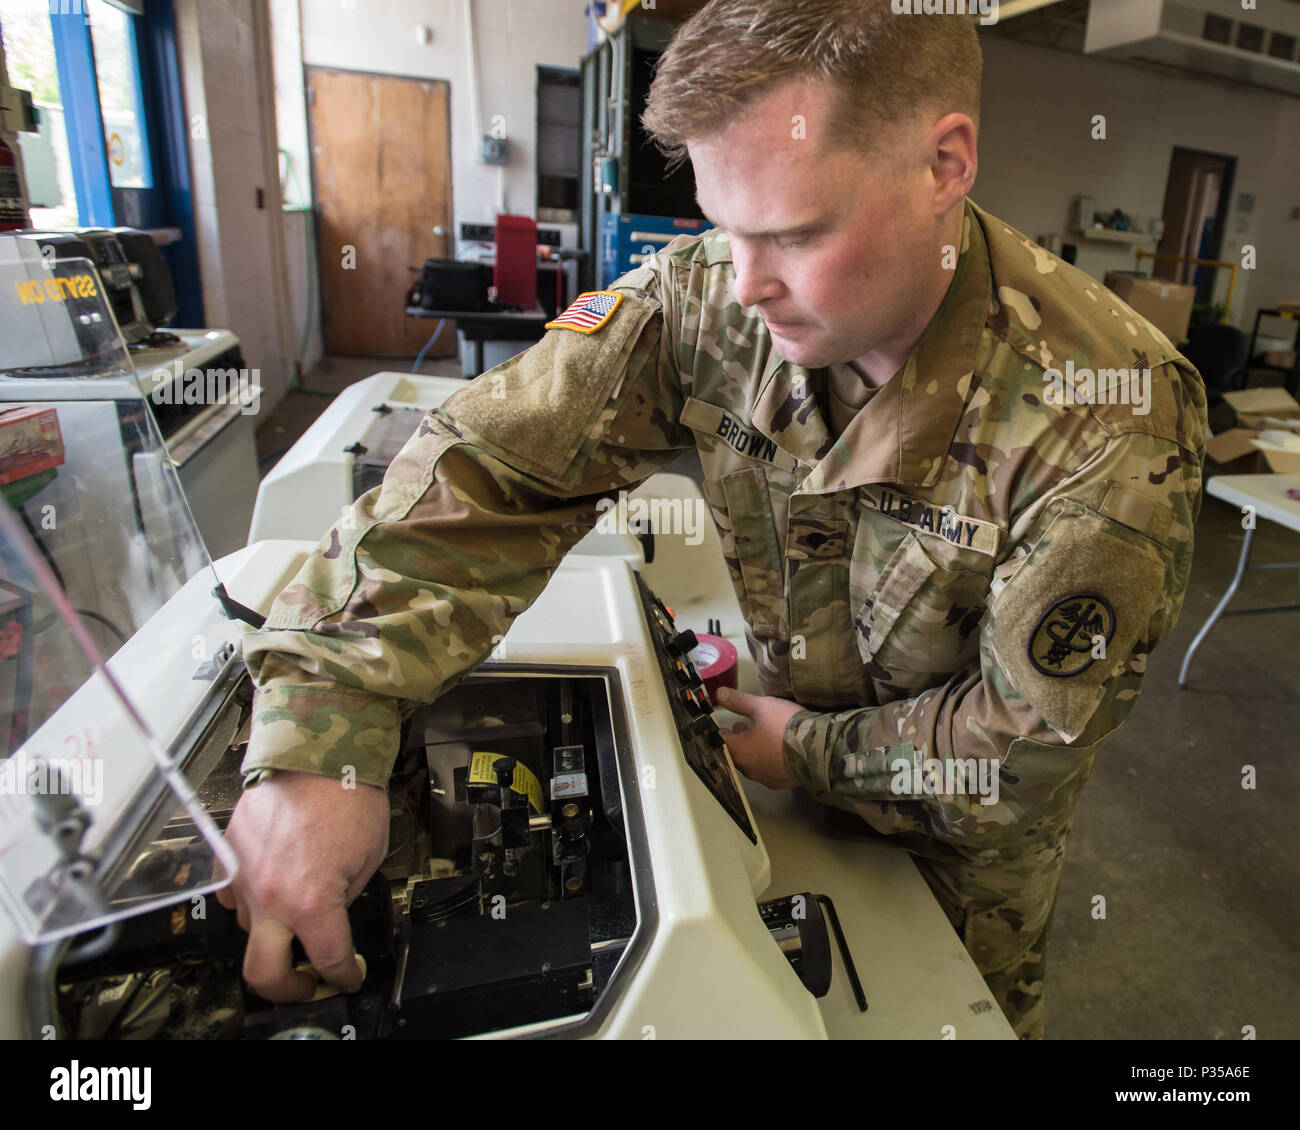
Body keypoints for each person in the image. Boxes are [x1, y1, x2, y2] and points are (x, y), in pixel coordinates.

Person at [219, 0, 1206, 1038]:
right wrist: (321, 730)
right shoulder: (709, 303)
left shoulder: (1108, 416)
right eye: (720, 227)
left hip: (953, 861)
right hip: (767, 773)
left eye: (789, 231)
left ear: (943, 165)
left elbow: (1017, 751)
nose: (746, 283)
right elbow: (492, 469)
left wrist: (811, 751)